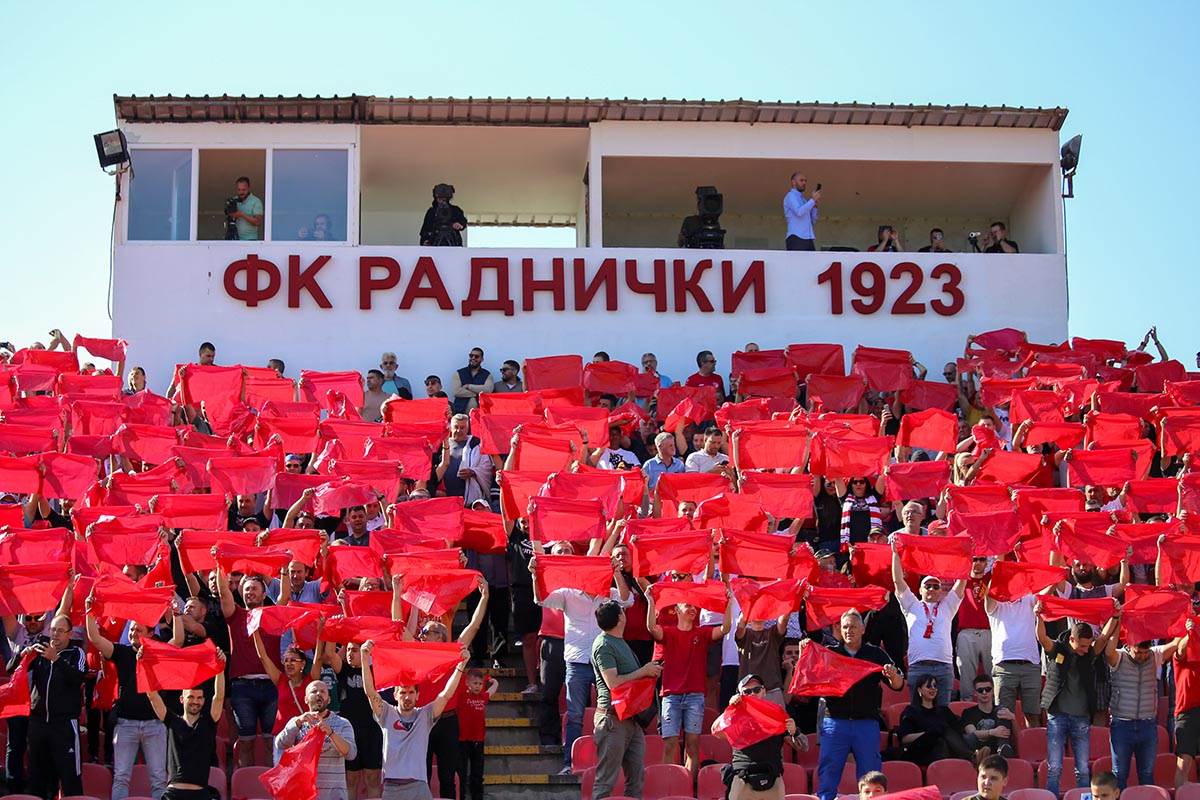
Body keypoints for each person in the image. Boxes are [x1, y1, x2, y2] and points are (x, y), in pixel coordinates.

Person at [532, 550, 631, 774]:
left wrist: (616, 573)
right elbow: (541, 599)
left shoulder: (608, 594)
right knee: (575, 715)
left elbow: (627, 600)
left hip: (604, 664)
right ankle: (570, 763)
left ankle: (610, 765)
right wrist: (535, 574)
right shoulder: (568, 593)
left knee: (611, 714)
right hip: (576, 662)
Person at [360, 639, 468, 800]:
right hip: (392, 787)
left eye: (411, 692)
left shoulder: (425, 715)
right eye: (403, 692)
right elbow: (370, 693)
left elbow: (446, 695)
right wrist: (364, 658)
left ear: (418, 695)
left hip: (419, 787)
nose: (407, 697)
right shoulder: (386, 713)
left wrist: (460, 666)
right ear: (395, 695)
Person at [814, 612, 904, 800]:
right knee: (828, 772)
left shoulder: (875, 654)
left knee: (871, 776)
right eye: (845, 627)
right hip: (835, 722)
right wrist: (805, 650)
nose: (849, 631)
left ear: (863, 629)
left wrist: (893, 675)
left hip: (866, 723)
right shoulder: (828, 653)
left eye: (853, 626)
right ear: (840, 629)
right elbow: (811, 676)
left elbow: (898, 685)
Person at [85, 601, 170, 800]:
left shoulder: (159, 654)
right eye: (131, 629)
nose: (133, 633)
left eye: (138, 630)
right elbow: (95, 638)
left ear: (151, 633)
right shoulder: (121, 652)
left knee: (159, 779)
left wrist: (174, 614)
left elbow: (180, 639)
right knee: (121, 777)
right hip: (125, 725)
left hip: (155, 725)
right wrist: (90, 612)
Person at [644, 588, 731, 775]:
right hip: (671, 696)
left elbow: (725, 629)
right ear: (676, 610)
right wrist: (650, 601)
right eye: (687, 605)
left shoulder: (702, 633)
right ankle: (668, 782)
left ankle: (689, 785)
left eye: (694, 606)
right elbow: (652, 628)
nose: (693, 609)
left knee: (692, 744)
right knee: (670, 743)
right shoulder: (669, 632)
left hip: (695, 696)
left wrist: (728, 604)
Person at [1035, 612, 1116, 797]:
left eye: (1088, 646)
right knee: (1054, 767)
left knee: (1083, 769)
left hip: (1081, 718)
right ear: (1072, 639)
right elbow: (1042, 638)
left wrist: (1115, 616)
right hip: (1057, 716)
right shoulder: (1057, 649)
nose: (1086, 650)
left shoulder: (1089, 654)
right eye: (1082, 646)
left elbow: (1104, 637)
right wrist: (1038, 616)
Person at [590, 600, 662, 800]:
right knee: (605, 781)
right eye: (622, 611)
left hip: (631, 719)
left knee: (636, 779)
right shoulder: (604, 644)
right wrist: (643, 671)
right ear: (620, 618)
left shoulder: (619, 642)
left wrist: (648, 673)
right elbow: (613, 682)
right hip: (613, 720)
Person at [216, 565, 284, 767]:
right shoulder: (235, 615)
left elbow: (285, 596)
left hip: (272, 686)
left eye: (254, 588)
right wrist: (219, 565)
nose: (250, 592)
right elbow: (223, 593)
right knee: (245, 742)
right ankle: (246, 782)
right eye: (246, 589)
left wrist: (284, 568)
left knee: (273, 742)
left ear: (264, 594)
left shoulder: (273, 614)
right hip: (242, 688)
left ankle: (273, 783)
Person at [1104, 620, 1178, 789]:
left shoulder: (1154, 655)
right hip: (1122, 725)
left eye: (1145, 652)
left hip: (1147, 725)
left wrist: (1187, 623)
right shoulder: (1119, 657)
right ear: (1129, 646)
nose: (1143, 656)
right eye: (1138, 652)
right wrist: (1117, 620)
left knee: (1147, 774)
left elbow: (1175, 644)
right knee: (1119, 774)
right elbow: (1108, 651)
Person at [892, 542, 966, 706]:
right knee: (917, 712)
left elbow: (961, 582)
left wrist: (965, 555)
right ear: (920, 590)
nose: (931, 589)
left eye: (936, 586)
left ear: (941, 590)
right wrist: (896, 554)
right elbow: (898, 581)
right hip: (918, 667)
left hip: (943, 667)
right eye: (928, 586)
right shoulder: (912, 604)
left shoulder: (948, 605)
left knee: (942, 711)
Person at [146, 653, 227, 800]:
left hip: (200, 795)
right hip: (173, 795)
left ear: (204, 700)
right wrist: (145, 665)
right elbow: (152, 696)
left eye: (199, 698)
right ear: (182, 699)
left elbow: (219, 697)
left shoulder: (209, 722)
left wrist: (220, 668)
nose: (195, 701)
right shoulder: (171, 721)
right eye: (191, 697)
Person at [714, 674, 804, 800]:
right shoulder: (735, 717)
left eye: (756, 690)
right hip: (743, 780)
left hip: (772, 780)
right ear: (740, 694)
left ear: (764, 691)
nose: (752, 694)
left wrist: (795, 732)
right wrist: (730, 709)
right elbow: (716, 732)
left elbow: (802, 747)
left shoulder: (775, 714)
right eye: (747, 691)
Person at [27, 614, 86, 800]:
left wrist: (56, 660)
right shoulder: (40, 650)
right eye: (53, 630)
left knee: (70, 778)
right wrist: (24, 655)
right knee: (37, 778)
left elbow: (78, 678)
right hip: (38, 723)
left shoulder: (76, 653)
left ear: (69, 634)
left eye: (60, 631)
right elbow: (12, 668)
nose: (55, 634)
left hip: (64, 725)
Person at [274, 681, 357, 800]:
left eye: (323, 691)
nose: (318, 694)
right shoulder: (298, 722)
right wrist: (297, 722)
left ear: (329, 699)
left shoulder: (342, 723)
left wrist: (331, 733)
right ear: (306, 699)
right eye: (313, 691)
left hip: (333, 795)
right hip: (304, 794)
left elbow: (351, 754)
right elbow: (280, 744)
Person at [897, 674, 974, 766]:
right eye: (928, 686)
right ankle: (972, 757)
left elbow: (957, 730)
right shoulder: (911, 711)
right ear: (919, 690)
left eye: (935, 686)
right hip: (920, 751)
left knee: (942, 741)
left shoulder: (944, 710)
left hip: (945, 749)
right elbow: (905, 738)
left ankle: (965, 760)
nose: (933, 689)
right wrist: (930, 733)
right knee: (940, 729)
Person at [433, 414, 494, 507]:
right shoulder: (442, 444)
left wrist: (473, 472)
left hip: (469, 499)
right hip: (444, 497)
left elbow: (487, 467)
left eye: (462, 427)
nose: (458, 430)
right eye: (456, 427)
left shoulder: (476, 444)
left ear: (467, 428)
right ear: (450, 428)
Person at [456, 669, 497, 800]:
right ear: (467, 683)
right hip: (462, 740)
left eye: (480, 684)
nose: (478, 686)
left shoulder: (482, 697)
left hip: (478, 741)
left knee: (477, 773)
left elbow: (491, 691)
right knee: (461, 772)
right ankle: (461, 796)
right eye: (475, 683)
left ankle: (477, 796)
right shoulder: (462, 696)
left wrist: (494, 682)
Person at [957, 557, 993, 700]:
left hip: (989, 631)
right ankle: (966, 704)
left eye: (981, 559)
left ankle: (994, 705)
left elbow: (1000, 561)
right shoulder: (961, 579)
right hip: (966, 632)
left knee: (993, 672)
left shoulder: (990, 579)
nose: (977, 563)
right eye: (974, 559)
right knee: (966, 673)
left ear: (986, 562)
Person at [961, 674, 1016, 762]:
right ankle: (979, 757)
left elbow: (1019, 736)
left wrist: (1013, 718)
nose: (984, 693)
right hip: (978, 748)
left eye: (988, 689)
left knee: (1002, 711)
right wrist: (992, 732)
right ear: (975, 693)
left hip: (996, 746)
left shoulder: (1002, 711)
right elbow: (972, 733)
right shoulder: (968, 712)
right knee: (969, 738)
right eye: (980, 690)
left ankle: (1002, 749)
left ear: (993, 691)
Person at [783, 172, 820, 251]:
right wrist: (812, 200)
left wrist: (815, 206)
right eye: (801, 180)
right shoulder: (790, 196)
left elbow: (812, 221)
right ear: (793, 182)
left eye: (805, 181)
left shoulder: (804, 200)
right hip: (796, 237)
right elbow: (799, 212)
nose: (804, 183)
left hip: (808, 238)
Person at [450, 348, 493, 415]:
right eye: (471, 355)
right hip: (460, 413)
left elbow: (488, 390)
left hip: (481, 415)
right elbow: (456, 391)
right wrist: (479, 393)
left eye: (476, 356)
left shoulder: (487, 374)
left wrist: (468, 386)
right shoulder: (459, 373)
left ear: (482, 359)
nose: (473, 358)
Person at [229, 176, 264, 241]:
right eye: (239, 190)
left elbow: (258, 222)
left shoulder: (256, 201)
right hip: (235, 239)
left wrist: (241, 214)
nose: (241, 192)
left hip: (250, 239)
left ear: (249, 188)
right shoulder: (233, 200)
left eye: (243, 190)